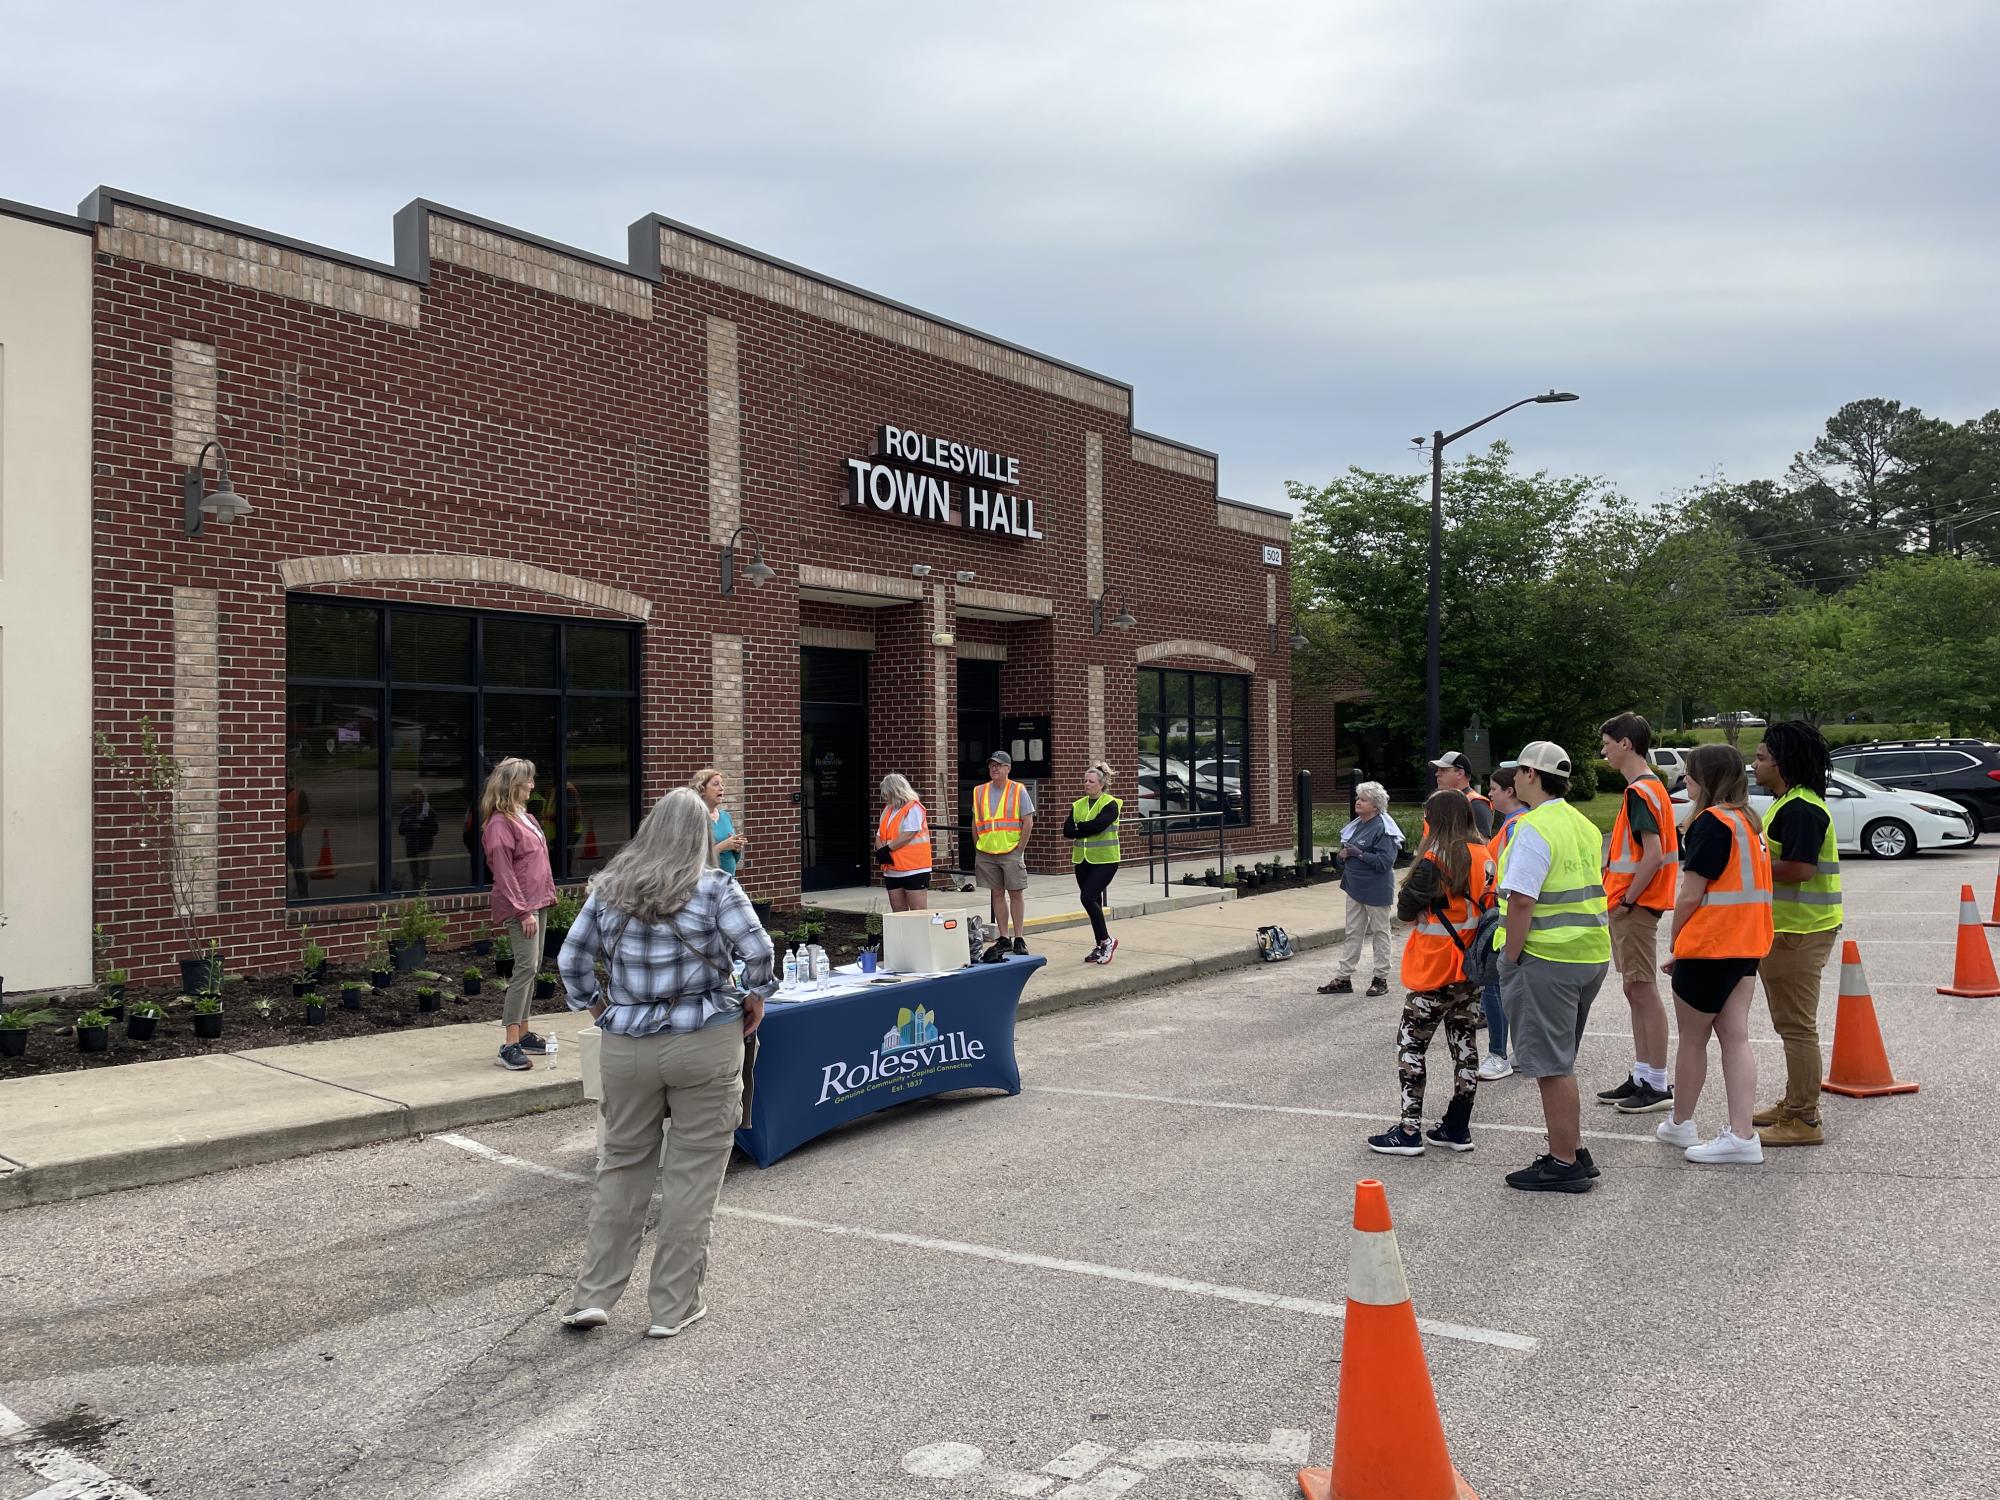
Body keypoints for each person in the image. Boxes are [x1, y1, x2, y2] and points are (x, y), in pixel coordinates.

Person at [555, 788, 774, 1337]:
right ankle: (672, 1307)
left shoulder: (608, 890)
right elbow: (759, 951)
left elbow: (571, 959)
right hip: (704, 1037)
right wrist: (755, 993)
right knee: (692, 1177)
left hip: (627, 1041)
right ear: (702, 834)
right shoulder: (717, 886)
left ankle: (593, 1295)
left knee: (622, 1167)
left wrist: (599, 1006)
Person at [1493, 741, 1612, 1193]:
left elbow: (1522, 898)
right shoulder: (1580, 823)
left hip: (1546, 958)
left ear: (1530, 776)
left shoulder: (1533, 827)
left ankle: (1564, 1162)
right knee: (1561, 1057)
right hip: (1588, 954)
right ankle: (1573, 1146)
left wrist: (1511, 956)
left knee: (1550, 1064)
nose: (1516, 779)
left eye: (1519, 771)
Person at [1654, 744, 1773, 1165]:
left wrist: (1676, 941)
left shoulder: (1710, 822)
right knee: (1735, 1037)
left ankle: (1682, 1122)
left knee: (1692, 1039)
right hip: (1746, 945)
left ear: (1707, 780)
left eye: (1689, 774)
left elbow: (1690, 894)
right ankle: (1742, 1134)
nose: (1683, 780)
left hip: (1709, 946)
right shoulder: (1748, 821)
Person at [1367, 790, 1493, 1155]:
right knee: (1465, 1047)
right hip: (1469, 969)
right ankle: (1457, 1127)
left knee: (1411, 1047)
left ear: (1436, 820)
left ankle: (1408, 1130)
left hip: (1435, 970)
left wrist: (1421, 909)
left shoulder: (1437, 859)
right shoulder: (1484, 855)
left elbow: (1406, 908)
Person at [1750, 721, 1841, 1147]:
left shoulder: (1801, 809)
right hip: (1787, 929)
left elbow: (1801, 870)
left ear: (1782, 763)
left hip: (1799, 931)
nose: (1755, 764)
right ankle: (1794, 1101)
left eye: (1762, 757)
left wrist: (1746, 866)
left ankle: (1804, 1118)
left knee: (1797, 1027)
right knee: (1790, 1024)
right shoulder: (1787, 803)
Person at [1595, 713, 1682, 1114]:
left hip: (1636, 905)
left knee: (1642, 989)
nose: (1604, 750)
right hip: (1635, 903)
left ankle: (1657, 1083)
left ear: (1626, 744)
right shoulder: (1650, 788)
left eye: (1607, 743)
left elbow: (1652, 854)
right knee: (1635, 988)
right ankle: (1644, 1074)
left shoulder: (1639, 792)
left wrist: (1628, 897)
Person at [481, 757, 557, 1072]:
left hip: (536, 902)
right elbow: (504, 873)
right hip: (520, 906)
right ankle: (510, 1043)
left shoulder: (524, 816)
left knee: (533, 966)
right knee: (524, 968)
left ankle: (524, 1034)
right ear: (514, 784)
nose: (532, 785)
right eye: (528, 780)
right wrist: (523, 911)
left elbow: (538, 860)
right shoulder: (499, 824)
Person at [1316, 781, 1401, 996]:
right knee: (1353, 931)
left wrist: (1359, 854)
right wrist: (1344, 856)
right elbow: (1347, 852)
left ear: (1375, 805)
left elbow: (1385, 862)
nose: (1358, 802)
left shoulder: (1384, 828)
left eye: (1363, 799)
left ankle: (1380, 978)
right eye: (1358, 798)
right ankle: (1343, 978)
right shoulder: (1357, 824)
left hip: (1376, 888)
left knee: (1380, 932)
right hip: (1354, 886)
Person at [1476, 764, 1524, 1080]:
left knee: (1493, 986)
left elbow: (1505, 877)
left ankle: (1497, 1054)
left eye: (1494, 788)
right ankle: (1520, 1051)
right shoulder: (1518, 823)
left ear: (1509, 791)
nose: (1490, 794)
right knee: (1517, 988)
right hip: (1511, 915)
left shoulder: (1514, 827)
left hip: (1504, 916)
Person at [973, 751, 1035, 961]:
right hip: (987, 852)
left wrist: (1019, 850)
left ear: (1008, 768)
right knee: (996, 894)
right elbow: (975, 822)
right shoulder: (979, 791)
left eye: (999, 765)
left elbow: (1027, 821)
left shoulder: (1018, 790)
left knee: (1016, 893)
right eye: (991, 765)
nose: (994, 769)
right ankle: (1004, 937)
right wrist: (978, 845)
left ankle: (1019, 937)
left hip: (1010, 851)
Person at [1062, 762, 1122, 965]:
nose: (1086, 784)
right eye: (1085, 781)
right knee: (1093, 902)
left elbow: (1098, 826)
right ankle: (1100, 945)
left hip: (1106, 859)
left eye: (1091, 781)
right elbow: (1067, 831)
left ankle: (1107, 940)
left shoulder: (1111, 804)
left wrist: (1081, 827)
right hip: (1082, 860)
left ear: (1101, 784)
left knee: (1086, 897)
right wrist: (1082, 827)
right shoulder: (1078, 804)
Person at [874, 773, 933, 912]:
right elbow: (879, 833)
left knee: (918, 911)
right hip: (892, 869)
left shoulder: (913, 808)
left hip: (914, 868)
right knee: (898, 912)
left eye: (886, 793)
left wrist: (886, 849)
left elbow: (909, 834)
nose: (884, 797)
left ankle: (918, 935)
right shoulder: (887, 810)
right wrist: (880, 850)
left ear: (895, 791)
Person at [1428, 751, 1494, 840]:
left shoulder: (1477, 804)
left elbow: (1481, 845)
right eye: (1438, 770)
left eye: (1443, 770)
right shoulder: (1442, 802)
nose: (1437, 774)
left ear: (1460, 773)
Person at [692, 768, 745, 878]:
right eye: (716, 784)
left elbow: (734, 858)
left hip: (728, 881)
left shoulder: (725, 817)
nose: (721, 788)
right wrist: (723, 846)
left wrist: (736, 847)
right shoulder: (694, 818)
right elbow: (692, 859)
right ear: (701, 789)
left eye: (722, 784)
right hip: (705, 882)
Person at [397, 783, 439, 890]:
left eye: (419, 794)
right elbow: (401, 830)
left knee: (425, 875)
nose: (416, 797)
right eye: (414, 794)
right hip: (411, 848)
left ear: (423, 796)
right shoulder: (406, 812)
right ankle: (416, 893)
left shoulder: (429, 812)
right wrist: (410, 826)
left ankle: (427, 894)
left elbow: (434, 830)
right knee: (415, 875)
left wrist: (420, 827)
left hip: (424, 847)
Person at [285, 779, 311, 899]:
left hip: (292, 837)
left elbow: (305, 815)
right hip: (281, 836)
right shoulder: (276, 794)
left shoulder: (298, 794)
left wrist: (297, 832)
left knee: (298, 868)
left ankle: (303, 895)